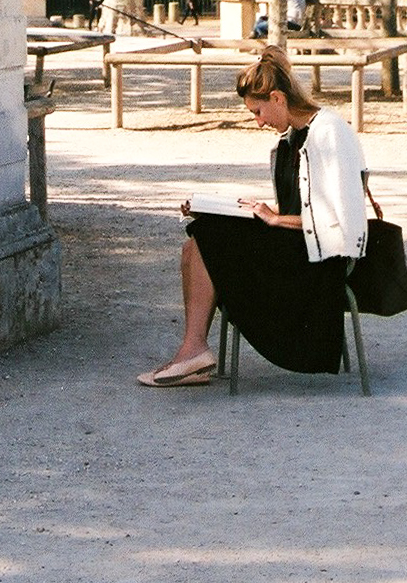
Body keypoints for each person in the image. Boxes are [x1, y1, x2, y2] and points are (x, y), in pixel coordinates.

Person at [137, 48, 368, 387]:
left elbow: (340, 224)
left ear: (277, 97)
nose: (259, 121)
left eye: (258, 111)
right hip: (298, 251)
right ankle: (193, 351)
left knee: (205, 237)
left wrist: (274, 220)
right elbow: (298, 211)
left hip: (320, 268)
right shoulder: (291, 138)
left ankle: (194, 353)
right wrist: (253, 214)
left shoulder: (329, 131)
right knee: (196, 238)